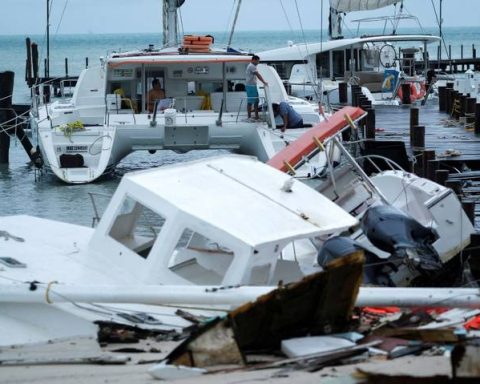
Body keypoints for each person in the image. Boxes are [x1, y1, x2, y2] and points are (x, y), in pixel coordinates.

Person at [245, 55, 268, 120]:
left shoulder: (252, 66)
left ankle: (256, 116)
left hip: (252, 86)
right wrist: (264, 82)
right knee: (250, 102)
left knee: (256, 101)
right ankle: (249, 117)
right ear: (254, 60)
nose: (258, 63)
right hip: (250, 86)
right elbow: (258, 75)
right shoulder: (252, 66)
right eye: (258, 61)